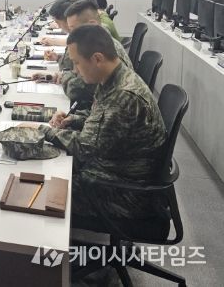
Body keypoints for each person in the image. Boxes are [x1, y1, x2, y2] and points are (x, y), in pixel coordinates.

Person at [31, 25, 168, 223]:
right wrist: (73, 119)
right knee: (42, 170)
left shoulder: (123, 96)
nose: (75, 71)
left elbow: (84, 148)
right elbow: (100, 118)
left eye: (77, 63)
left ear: (97, 58)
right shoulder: (114, 77)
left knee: (38, 193)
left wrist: (43, 131)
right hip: (113, 169)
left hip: (122, 193)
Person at [34, 0, 132, 110]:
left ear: (92, 24)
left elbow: (77, 90)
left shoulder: (98, 50)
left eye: (73, 29)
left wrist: (63, 76)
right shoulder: (98, 39)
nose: (71, 34)